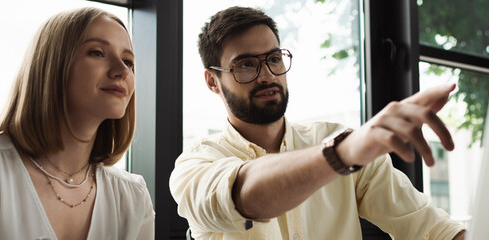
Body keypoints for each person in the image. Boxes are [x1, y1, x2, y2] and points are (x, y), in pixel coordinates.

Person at [170, 6, 465, 240]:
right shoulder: (195, 166)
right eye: (246, 64)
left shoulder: (339, 141)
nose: (267, 75)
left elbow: (432, 230)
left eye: (274, 58)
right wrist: (341, 154)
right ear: (212, 81)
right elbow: (245, 195)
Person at [0, 7, 154, 239]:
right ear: (52, 65)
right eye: (97, 53)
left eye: (128, 61)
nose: (122, 70)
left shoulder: (132, 196)